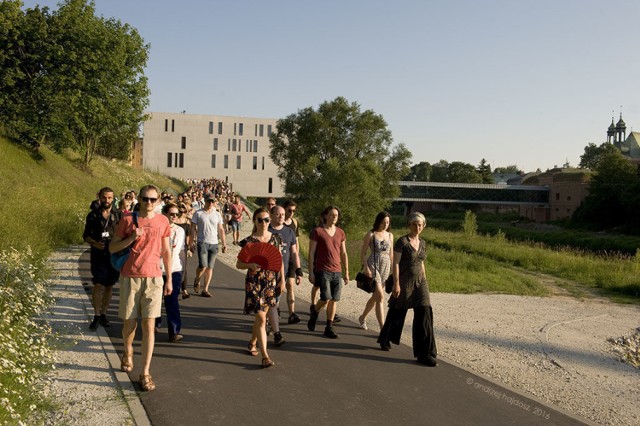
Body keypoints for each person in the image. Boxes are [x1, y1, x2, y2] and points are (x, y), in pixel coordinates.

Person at [110, 184, 173, 391]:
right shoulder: (128, 220)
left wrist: (169, 278)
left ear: (158, 201)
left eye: (153, 200)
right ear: (139, 199)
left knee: (148, 325)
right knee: (130, 323)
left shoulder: (163, 221)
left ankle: (145, 372)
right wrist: (131, 237)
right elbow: (112, 247)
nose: (149, 203)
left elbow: (166, 251)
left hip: (154, 278)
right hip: (131, 277)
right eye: (145, 199)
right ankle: (127, 350)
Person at [377, 212, 437, 367]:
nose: (417, 227)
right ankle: (385, 338)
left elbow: (421, 262)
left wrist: (425, 279)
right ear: (409, 225)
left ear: (423, 226)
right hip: (404, 282)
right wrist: (396, 283)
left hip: (420, 282)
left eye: (420, 225)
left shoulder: (423, 243)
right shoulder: (402, 242)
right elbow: (395, 263)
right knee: (397, 310)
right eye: (414, 224)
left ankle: (425, 353)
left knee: (424, 313)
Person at [236, 208, 285, 368]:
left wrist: (282, 280)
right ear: (255, 221)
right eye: (260, 220)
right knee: (262, 318)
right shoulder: (249, 241)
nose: (263, 223)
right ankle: (265, 356)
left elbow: (279, 261)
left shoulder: (276, 238)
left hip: (270, 282)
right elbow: (239, 263)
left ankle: (252, 341)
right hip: (254, 282)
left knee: (260, 318)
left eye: (266, 220)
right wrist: (249, 264)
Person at [307, 206, 349, 339]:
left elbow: (343, 252)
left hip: (337, 270)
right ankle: (315, 312)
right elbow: (311, 252)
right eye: (331, 215)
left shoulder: (341, 232)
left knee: (334, 300)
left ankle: (329, 327)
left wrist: (347, 271)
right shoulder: (317, 231)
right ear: (325, 216)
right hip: (323, 269)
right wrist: (311, 272)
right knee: (325, 297)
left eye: (336, 215)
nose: (334, 217)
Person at [83, 187, 122, 330]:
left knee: (109, 286)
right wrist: (94, 243)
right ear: (100, 198)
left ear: (113, 199)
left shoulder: (119, 215)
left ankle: (104, 314)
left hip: (113, 254)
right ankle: (97, 315)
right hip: (98, 254)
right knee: (98, 284)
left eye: (110, 198)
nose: (107, 200)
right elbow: (85, 236)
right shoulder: (93, 215)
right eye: (104, 198)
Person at [268, 205, 302, 345]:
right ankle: (272, 328)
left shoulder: (289, 232)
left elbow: (294, 252)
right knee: (272, 302)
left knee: (274, 301)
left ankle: (271, 326)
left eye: (283, 214)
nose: (282, 216)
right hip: (267, 272)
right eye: (278, 214)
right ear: (271, 215)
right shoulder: (266, 229)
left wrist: (298, 269)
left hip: (284, 270)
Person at [155, 203, 186, 342]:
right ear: (164, 214)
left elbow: (180, 250)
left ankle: (174, 331)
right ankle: (155, 324)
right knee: (155, 300)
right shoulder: (157, 228)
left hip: (174, 269)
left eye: (177, 214)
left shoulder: (180, 230)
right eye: (171, 214)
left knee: (172, 301)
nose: (174, 217)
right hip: (157, 269)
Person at [358, 212, 394, 330]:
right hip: (373, 264)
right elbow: (363, 254)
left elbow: (391, 254)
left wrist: (393, 271)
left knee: (375, 296)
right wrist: (366, 267)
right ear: (378, 221)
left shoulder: (390, 235)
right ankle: (383, 328)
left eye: (387, 222)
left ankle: (362, 317)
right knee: (380, 296)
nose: (385, 224)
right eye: (383, 222)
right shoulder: (371, 234)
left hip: (386, 266)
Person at [190, 193, 227, 297]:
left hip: (214, 243)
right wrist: (191, 242)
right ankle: (197, 279)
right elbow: (192, 228)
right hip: (202, 242)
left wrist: (224, 243)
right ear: (204, 201)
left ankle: (205, 289)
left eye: (213, 201)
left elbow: (221, 229)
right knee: (203, 265)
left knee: (210, 267)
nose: (210, 203)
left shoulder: (217, 214)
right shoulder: (198, 213)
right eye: (208, 201)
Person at [282, 200, 303, 324]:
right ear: (284, 209)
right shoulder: (278, 221)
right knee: (280, 286)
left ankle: (292, 314)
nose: (291, 213)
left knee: (290, 285)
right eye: (289, 210)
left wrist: (297, 262)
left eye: (294, 211)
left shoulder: (294, 223)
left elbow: (297, 242)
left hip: (291, 260)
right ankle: (275, 309)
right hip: (279, 259)